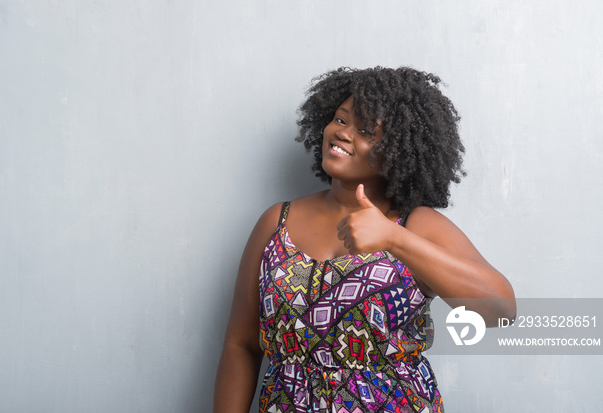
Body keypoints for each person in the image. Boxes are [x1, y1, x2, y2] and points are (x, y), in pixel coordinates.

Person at [213, 67, 515, 413]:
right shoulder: (276, 222)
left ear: (400, 149)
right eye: (340, 120)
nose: (342, 134)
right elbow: (241, 343)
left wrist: (394, 239)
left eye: (365, 131)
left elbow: (502, 311)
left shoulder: (416, 225)